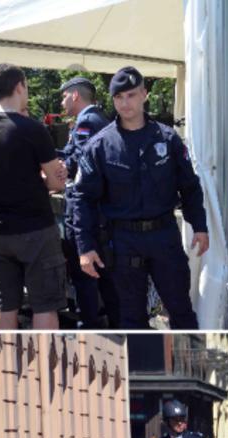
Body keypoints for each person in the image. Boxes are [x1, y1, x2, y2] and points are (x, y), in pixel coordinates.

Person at [72, 66, 208, 329]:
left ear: (144, 94)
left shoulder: (167, 139)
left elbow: (189, 187)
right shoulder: (100, 146)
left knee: (180, 309)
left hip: (164, 236)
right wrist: (85, 247)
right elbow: (83, 199)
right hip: (123, 242)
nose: (125, 103)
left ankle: (194, 364)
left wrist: (200, 226)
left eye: (132, 95)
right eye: (119, 97)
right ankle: (141, 368)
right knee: (131, 317)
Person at [0, 64, 68, 330]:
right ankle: (42, 370)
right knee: (45, 306)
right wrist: (56, 174)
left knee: (5, 306)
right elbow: (55, 182)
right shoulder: (32, 129)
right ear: (19, 86)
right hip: (35, 228)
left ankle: (3, 368)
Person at [58, 76, 116, 329]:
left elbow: (80, 160)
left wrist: (58, 168)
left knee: (85, 273)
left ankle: (90, 321)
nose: (62, 101)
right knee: (101, 273)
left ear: (75, 95)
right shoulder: (95, 120)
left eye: (63, 96)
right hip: (96, 209)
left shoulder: (88, 122)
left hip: (86, 209)